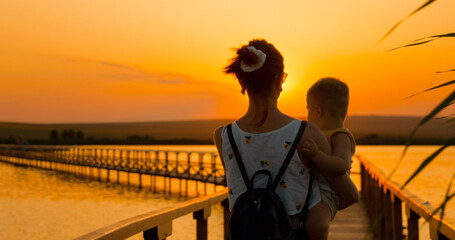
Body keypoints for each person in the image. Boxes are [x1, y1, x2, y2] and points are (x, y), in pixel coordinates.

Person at [213, 39, 345, 238]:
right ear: (279, 81)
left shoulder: (224, 137)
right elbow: (347, 193)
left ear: (242, 82)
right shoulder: (306, 133)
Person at [301, 77, 360, 239]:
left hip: (328, 193)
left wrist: (316, 155)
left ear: (318, 110)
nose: (308, 113)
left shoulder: (340, 135)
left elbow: (341, 165)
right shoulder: (322, 134)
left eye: (308, 109)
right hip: (314, 188)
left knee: (316, 225)